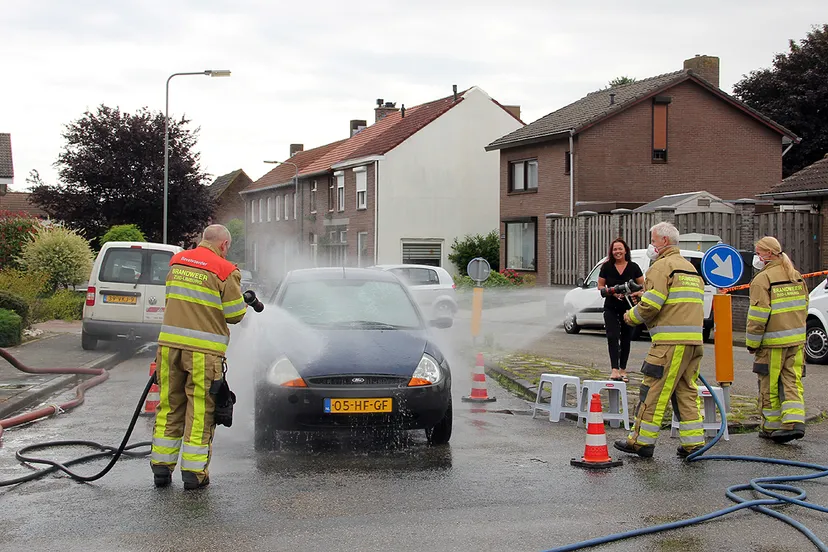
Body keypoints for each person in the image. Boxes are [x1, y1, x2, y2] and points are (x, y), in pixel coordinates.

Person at [150, 224, 247, 489]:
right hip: (203, 353)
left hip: (169, 348)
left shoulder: (177, 262)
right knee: (201, 410)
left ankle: (161, 468)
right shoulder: (225, 270)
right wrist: (244, 302)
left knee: (169, 405)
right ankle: (194, 474)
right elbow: (235, 315)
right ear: (224, 245)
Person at [613, 221, 706, 459]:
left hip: (668, 344)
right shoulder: (690, 268)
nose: (651, 245)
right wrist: (644, 294)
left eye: (653, 240)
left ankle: (641, 441)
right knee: (686, 392)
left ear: (664, 241)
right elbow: (676, 302)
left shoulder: (661, 267)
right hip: (693, 343)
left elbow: (651, 306)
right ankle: (694, 444)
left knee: (653, 391)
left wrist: (630, 316)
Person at [746, 236, 808, 444]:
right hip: (796, 342)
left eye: (758, 253)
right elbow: (804, 306)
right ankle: (794, 422)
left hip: (772, 344)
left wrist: (752, 343)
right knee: (792, 381)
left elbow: (758, 317)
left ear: (769, 254)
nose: (756, 257)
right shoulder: (795, 275)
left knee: (769, 384)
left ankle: (771, 427)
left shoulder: (763, 279)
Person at [598, 238, 644, 382]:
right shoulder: (606, 267)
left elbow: (643, 285)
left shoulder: (633, 267)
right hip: (611, 307)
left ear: (625, 251)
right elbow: (600, 286)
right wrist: (612, 292)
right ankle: (614, 369)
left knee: (626, 338)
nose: (617, 252)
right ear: (611, 252)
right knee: (612, 336)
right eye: (615, 249)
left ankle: (623, 369)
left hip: (628, 308)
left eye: (620, 249)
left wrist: (635, 293)